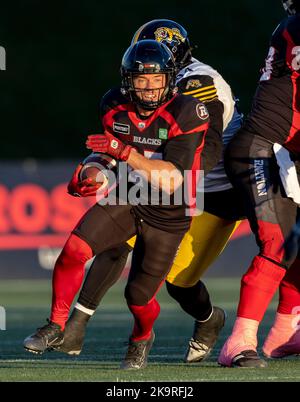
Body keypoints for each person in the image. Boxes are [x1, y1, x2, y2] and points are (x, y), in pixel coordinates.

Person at [58, 19, 245, 363]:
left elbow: (210, 149)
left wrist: (167, 174)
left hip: (213, 189)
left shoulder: (200, 84)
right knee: (114, 242)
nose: (146, 81)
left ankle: (209, 319)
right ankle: (77, 324)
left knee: (179, 283)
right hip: (159, 178)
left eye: (155, 69)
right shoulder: (149, 84)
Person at [23, 39, 211, 370]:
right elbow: (106, 154)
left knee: (137, 297)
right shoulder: (113, 105)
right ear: (128, 81)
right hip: (128, 195)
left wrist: (124, 153)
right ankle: (55, 325)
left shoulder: (188, 111)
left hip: (170, 209)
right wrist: (91, 172)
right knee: (74, 250)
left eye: (157, 79)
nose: (150, 88)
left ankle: (141, 339)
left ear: (170, 79)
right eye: (141, 80)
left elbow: (172, 179)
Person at [218, 0, 300, 368]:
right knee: (278, 243)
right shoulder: (295, 26)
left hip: (286, 153)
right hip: (262, 150)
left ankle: (285, 333)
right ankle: (238, 342)